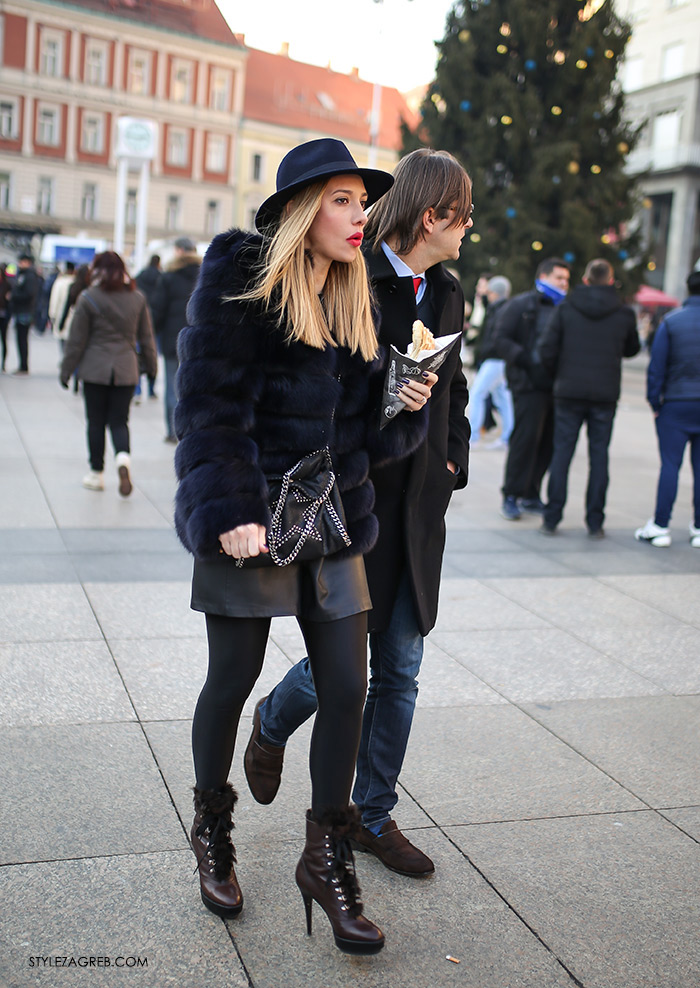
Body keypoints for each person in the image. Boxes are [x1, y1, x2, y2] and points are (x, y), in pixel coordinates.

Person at [174, 138, 437, 954]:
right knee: (234, 675)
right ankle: (211, 819)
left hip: (332, 520)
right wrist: (229, 505)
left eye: (365, 204)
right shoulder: (242, 275)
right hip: (250, 515)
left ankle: (325, 856)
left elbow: (360, 437)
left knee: (348, 685)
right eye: (344, 201)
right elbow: (208, 406)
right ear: (301, 208)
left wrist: (403, 404)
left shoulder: (356, 295)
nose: (361, 219)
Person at [244, 147, 472, 879]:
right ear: (432, 215)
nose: (469, 229)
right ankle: (273, 719)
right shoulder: (354, 278)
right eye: (463, 215)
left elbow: (455, 390)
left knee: (401, 667)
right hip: (356, 500)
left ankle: (372, 818)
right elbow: (322, 392)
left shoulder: (450, 291)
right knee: (346, 665)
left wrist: (452, 460)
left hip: (419, 510)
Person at [536, 259, 639, 536]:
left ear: (585, 279)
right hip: (604, 394)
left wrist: (560, 373)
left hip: (569, 391)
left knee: (562, 454)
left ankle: (552, 516)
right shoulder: (624, 313)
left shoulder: (567, 308)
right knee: (599, 457)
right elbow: (632, 348)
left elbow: (546, 349)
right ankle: (595, 520)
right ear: (610, 280)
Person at [59, 252, 157, 495]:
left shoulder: (89, 297)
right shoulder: (137, 298)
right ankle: (123, 460)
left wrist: (66, 370)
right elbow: (146, 338)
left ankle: (96, 473)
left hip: (95, 370)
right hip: (126, 371)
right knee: (120, 421)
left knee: (95, 422)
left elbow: (76, 340)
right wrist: (152, 367)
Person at [494, 257, 571, 519]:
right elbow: (500, 339)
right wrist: (526, 361)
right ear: (545, 276)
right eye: (559, 278)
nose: (564, 284)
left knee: (548, 442)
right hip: (527, 384)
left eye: (566, 280)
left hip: (557, 386)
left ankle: (531, 493)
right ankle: (512, 493)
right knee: (525, 440)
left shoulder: (565, 308)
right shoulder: (521, 304)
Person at [635, 269, 700, 548]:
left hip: (675, 404)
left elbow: (656, 368)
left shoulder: (671, 322)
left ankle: (661, 526)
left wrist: (654, 402)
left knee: (670, 465)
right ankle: (698, 527)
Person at [150, 238, 200, 442]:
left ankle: (173, 431)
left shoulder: (168, 277)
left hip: (172, 339)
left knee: (171, 385)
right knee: (194, 387)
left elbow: (157, 310)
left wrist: (152, 332)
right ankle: (192, 428)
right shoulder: (204, 274)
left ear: (179, 251)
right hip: (198, 340)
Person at [468, 276, 513, 450]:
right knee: (502, 398)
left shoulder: (499, 310)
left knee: (477, 393)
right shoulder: (501, 308)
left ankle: (473, 434)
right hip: (499, 359)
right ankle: (508, 436)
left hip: (494, 359)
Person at [134, 254, 162, 402]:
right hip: (155, 324)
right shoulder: (161, 278)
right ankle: (151, 390)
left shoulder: (139, 277)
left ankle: (137, 390)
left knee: (137, 356)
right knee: (152, 355)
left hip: (139, 322)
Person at [9, 253, 40, 375]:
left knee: (22, 339)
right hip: (21, 310)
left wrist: (13, 296)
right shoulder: (23, 275)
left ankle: (24, 366)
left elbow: (29, 294)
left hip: (25, 311)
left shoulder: (29, 276)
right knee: (20, 339)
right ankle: (22, 364)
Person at [49, 261, 75, 343]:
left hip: (60, 316)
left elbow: (54, 300)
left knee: (62, 341)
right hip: (73, 318)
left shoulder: (59, 282)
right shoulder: (77, 282)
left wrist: (52, 314)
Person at [0, 263, 11, 372]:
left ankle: (3, 363)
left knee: (3, 340)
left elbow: (10, 301)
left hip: (3, 316)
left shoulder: (7, 284)